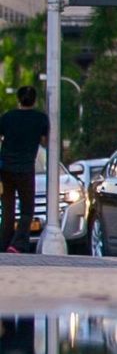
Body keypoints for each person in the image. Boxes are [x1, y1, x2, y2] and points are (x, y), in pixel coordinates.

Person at [0, 84, 48, 252]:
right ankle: (18, 243)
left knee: (8, 209)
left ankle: (4, 244)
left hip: (6, 170)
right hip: (26, 169)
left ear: (18, 99)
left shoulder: (7, 117)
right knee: (27, 209)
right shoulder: (40, 119)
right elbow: (46, 140)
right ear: (34, 101)